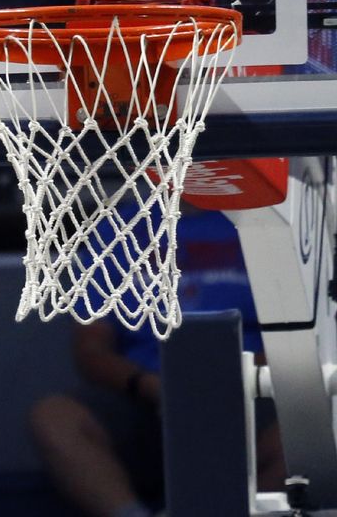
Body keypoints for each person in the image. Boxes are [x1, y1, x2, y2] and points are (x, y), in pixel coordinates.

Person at [29, 209, 286, 517]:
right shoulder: (116, 227)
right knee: (54, 417)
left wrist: (231, 380)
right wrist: (151, 386)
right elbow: (90, 348)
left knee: (306, 428)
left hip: (251, 392)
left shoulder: (268, 219)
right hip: (147, 396)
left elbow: (297, 335)